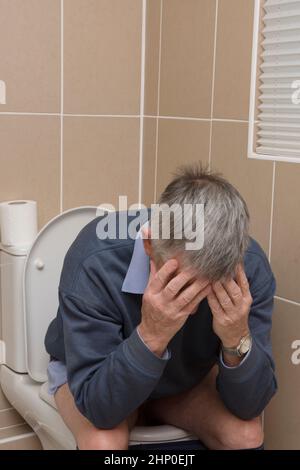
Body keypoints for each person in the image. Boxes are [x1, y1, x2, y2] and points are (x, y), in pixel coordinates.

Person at [44, 164, 277, 450]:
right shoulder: (95, 260)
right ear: (149, 245)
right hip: (96, 379)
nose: (191, 309)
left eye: (209, 290)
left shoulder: (249, 268)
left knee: (246, 435)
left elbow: (249, 406)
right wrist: (152, 335)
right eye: (180, 284)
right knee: (103, 443)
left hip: (183, 380)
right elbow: (101, 410)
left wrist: (235, 339)